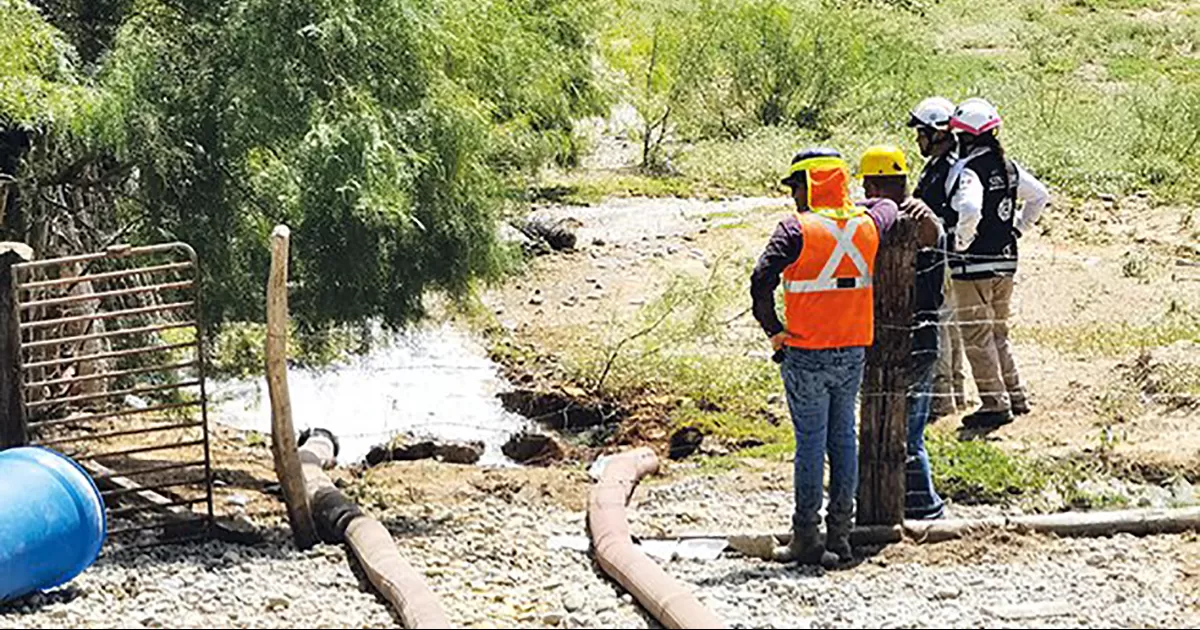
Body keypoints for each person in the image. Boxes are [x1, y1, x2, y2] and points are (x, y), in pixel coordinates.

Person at [749, 147, 937, 566]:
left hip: (805, 351)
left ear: (810, 185)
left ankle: (806, 537)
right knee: (843, 441)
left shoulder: (794, 229)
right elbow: (888, 204)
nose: (794, 195)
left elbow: (760, 279)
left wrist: (774, 331)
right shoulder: (867, 223)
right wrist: (854, 203)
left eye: (797, 186)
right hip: (852, 351)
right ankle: (841, 537)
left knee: (811, 445)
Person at [945, 98, 1050, 429]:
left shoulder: (967, 170)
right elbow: (1039, 196)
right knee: (998, 333)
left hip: (972, 264)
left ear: (964, 137)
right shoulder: (1008, 166)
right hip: (1005, 261)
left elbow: (970, 210)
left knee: (976, 336)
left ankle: (994, 403)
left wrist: (961, 243)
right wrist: (1016, 228)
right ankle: (1016, 395)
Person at [857, 144, 945, 520]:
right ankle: (905, 505)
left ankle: (922, 508)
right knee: (905, 431)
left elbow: (929, 236)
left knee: (904, 434)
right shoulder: (915, 214)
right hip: (915, 338)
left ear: (874, 185)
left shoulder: (908, 218)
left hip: (903, 339)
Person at [907, 96, 968, 418]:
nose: (918, 140)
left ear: (937, 133)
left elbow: (954, 215)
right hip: (945, 254)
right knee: (950, 324)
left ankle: (944, 397)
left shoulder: (950, 169)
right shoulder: (941, 166)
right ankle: (953, 394)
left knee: (944, 323)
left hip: (943, 256)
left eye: (921, 133)